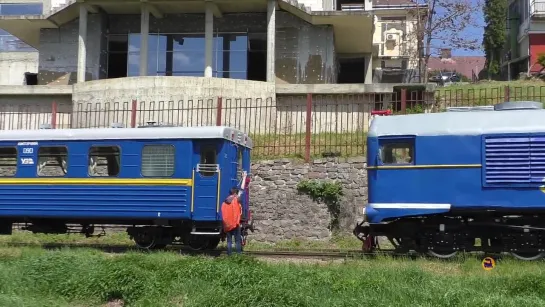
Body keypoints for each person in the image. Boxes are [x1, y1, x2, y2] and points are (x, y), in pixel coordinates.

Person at [221, 187, 242, 255]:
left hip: (228, 224)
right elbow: (241, 192)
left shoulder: (225, 202)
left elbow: (223, 214)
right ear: (235, 193)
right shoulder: (236, 199)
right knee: (237, 240)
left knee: (229, 241)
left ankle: (229, 254)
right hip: (235, 224)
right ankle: (238, 254)